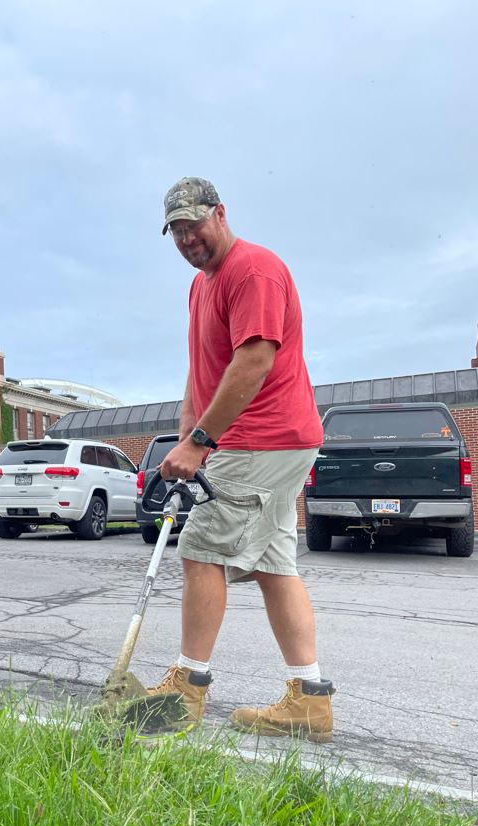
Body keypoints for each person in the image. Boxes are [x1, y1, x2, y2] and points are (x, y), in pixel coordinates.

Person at [147, 176, 335, 742]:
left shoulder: (252, 270)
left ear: (220, 214)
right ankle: (309, 699)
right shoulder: (202, 286)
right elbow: (202, 364)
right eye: (175, 230)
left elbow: (254, 360)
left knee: (201, 550)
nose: (186, 238)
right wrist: (188, 431)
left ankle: (187, 688)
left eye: (193, 225)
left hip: (262, 437)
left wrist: (202, 441)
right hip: (257, 440)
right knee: (275, 565)